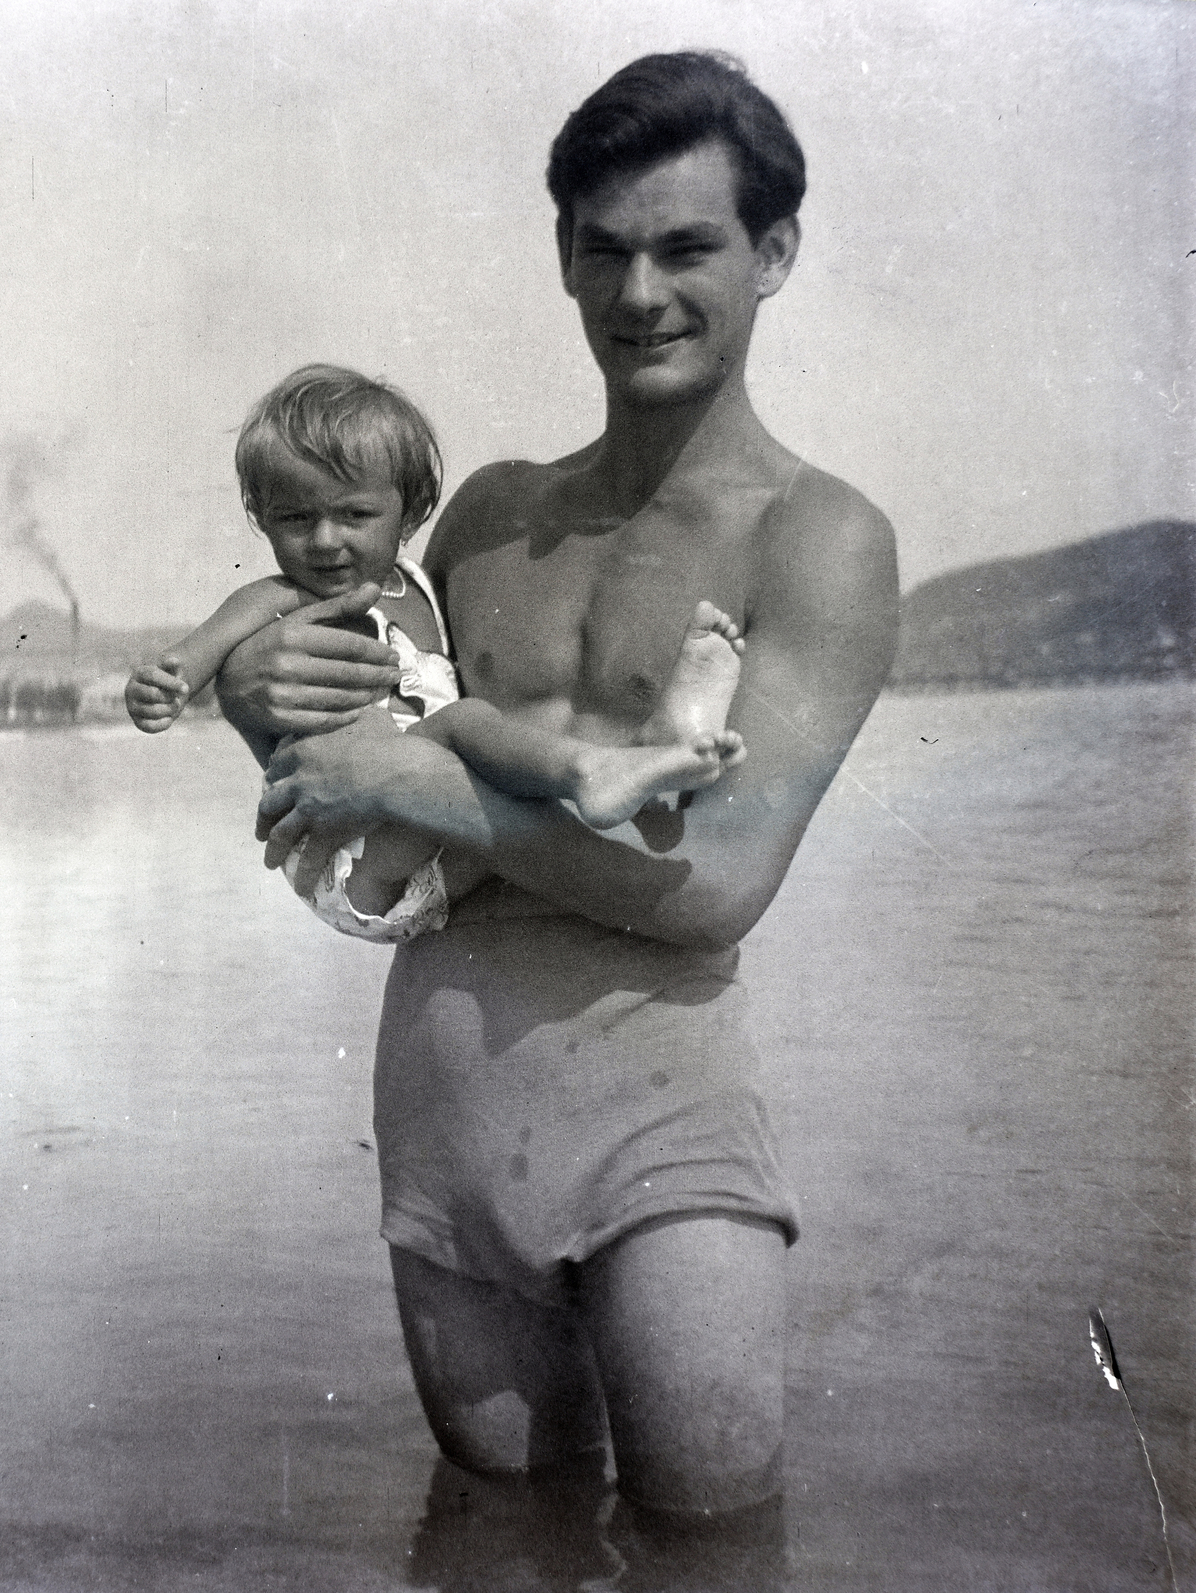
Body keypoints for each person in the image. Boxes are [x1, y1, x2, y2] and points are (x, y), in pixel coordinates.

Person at [219, 52, 899, 1527]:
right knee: (502, 1535)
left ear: (775, 253)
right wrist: (250, 699)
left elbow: (717, 879)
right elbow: (353, 770)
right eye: (608, 248)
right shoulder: (481, 518)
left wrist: (418, 778)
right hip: (445, 1113)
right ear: (565, 259)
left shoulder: (820, 537)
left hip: (662, 1121)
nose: (641, 289)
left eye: (688, 246)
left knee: (714, 1544)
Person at [127, 365, 749, 940]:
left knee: (517, 760)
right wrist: (165, 683)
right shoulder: (276, 596)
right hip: (350, 854)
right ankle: (595, 768)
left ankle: (654, 748)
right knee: (467, 724)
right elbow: (196, 654)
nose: (325, 541)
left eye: (354, 515)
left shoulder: (422, 587)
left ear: (412, 510)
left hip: (438, 839)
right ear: (261, 518)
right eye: (295, 519)